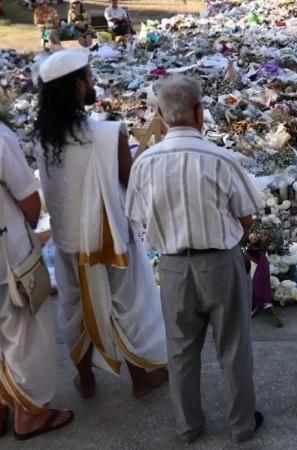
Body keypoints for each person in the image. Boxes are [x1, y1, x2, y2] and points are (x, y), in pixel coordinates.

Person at [125, 76, 263, 444]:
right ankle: (242, 425)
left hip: (172, 266)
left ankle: (188, 425)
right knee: (233, 347)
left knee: (181, 350)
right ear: (200, 112)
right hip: (219, 262)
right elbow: (247, 215)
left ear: (161, 115)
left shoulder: (145, 164)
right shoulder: (220, 158)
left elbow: (137, 218)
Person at [33, 49, 168, 401]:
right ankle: (140, 379)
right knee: (126, 304)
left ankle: (87, 382)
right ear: (77, 86)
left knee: (75, 309)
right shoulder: (109, 134)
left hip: (68, 244)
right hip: (110, 240)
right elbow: (131, 181)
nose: (93, 83)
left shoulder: (42, 140)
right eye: (89, 77)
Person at [0, 122, 74, 440]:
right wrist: (26, 230)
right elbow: (29, 201)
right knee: (28, 337)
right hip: (8, 261)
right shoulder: (0, 137)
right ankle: (30, 415)